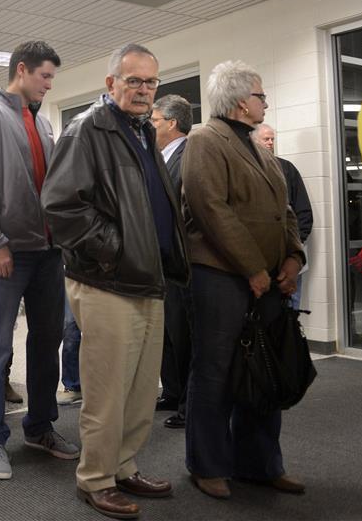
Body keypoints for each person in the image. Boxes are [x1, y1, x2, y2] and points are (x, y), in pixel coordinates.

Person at [42, 43, 190, 519]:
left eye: (151, 82)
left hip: (149, 280)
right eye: (134, 81)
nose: (144, 90)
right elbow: (62, 208)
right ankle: (96, 479)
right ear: (111, 84)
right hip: (108, 282)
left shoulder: (142, 131)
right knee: (107, 391)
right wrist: (115, 252)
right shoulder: (88, 129)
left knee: (142, 389)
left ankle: (124, 466)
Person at [182, 60, 306, 500]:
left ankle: (260, 464)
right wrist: (253, 268)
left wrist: (292, 258)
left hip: (268, 280)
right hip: (220, 278)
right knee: (215, 372)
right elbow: (211, 209)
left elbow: (284, 211)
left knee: (265, 369)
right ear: (239, 101)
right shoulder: (204, 140)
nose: (265, 102)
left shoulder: (256, 145)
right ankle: (208, 465)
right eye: (260, 95)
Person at [0, 40, 78, 481]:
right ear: (23, 70)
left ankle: (39, 427)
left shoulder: (42, 122)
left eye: (52, 78)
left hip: (49, 254)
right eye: (45, 76)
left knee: (48, 341)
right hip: (7, 255)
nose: (49, 85)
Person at [149, 94, 194, 430]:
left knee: (183, 334)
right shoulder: (157, 157)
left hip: (181, 262)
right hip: (158, 263)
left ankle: (189, 403)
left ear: (172, 123)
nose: (151, 126)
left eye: (155, 121)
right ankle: (172, 391)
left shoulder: (190, 155)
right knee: (164, 332)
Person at [252, 123, 314, 311]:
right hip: (259, 256)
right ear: (253, 141)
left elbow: (303, 213)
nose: (270, 143)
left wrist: (295, 248)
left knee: (290, 307)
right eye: (266, 139)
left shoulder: (287, 169)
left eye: (272, 139)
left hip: (290, 252)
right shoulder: (245, 170)